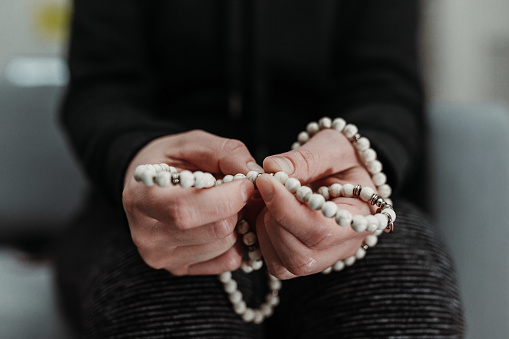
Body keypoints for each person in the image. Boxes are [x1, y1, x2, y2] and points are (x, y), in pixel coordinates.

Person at [56, 0, 465, 337]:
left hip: (334, 194)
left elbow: (387, 83)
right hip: (154, 201)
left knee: (404, 296)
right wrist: (135, 154)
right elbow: (100, 89)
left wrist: (363, 152)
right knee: (162, 310)